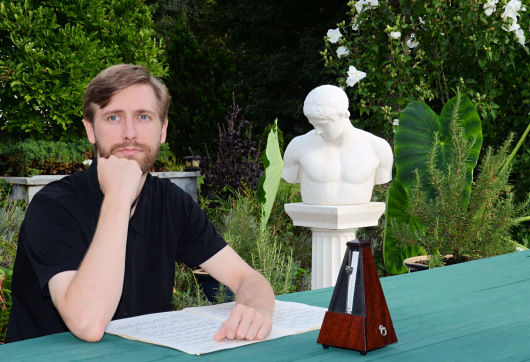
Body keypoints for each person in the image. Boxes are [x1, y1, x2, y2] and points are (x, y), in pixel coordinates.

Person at [5, 64, 275, 343]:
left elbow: (247, 278)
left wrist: (255, 309)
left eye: (144, 117)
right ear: (90, 130)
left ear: (163, 130)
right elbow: (87, 323)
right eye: (113, 118)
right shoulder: (52, 208)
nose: (130, 133)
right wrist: (119, 197)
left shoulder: (172, 203)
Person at [282, 85, 393, 205]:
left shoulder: (378, 148)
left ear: (343, 115)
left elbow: (383, 179)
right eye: (314, 125)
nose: (317, 132)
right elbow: (289, 178)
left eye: (324, 125)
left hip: (356, 218)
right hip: (315, 217)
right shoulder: (298, 146)